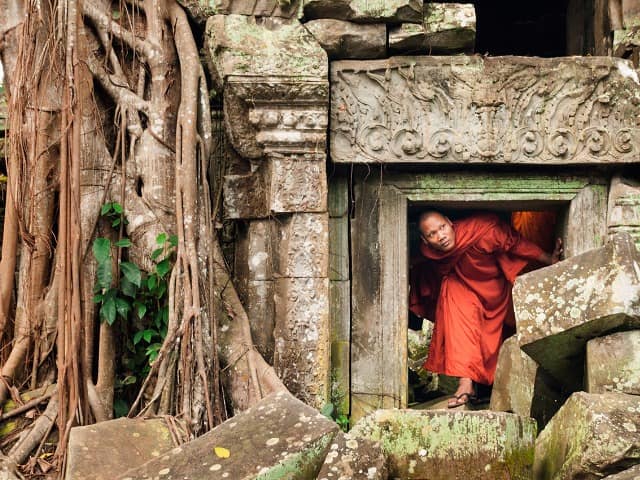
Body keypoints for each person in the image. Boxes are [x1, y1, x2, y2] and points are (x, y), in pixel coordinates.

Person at [409, 210, 562, 408]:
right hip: (463, 287)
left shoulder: (482, 229)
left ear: (450, 222)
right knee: (458, 318)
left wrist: (549, 259)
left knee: (499, 336)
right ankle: (465, 383)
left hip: (493, 287)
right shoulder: (429, 252)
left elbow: (515, 243)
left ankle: (490, 387)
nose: (441, 236)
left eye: (442, 227)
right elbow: (421, 265)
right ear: (425, 240)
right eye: (432, 234)